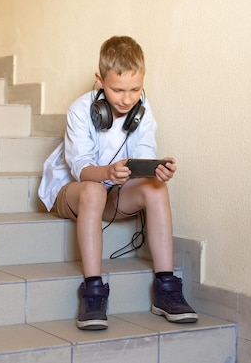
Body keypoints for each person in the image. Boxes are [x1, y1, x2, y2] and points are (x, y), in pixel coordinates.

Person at [38, 35, 197, 330]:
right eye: (117, 90)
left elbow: (142, 157)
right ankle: (93, 292)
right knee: (94, 189)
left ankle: (166, 289)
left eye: (135, 89)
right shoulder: (80, 110)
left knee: (155, 187)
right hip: (74, 192)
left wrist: (155, 171)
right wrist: (109, 173)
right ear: (100, 80)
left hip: (116, 192)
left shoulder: (143, 113)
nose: (127, 99)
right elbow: (81, 169)